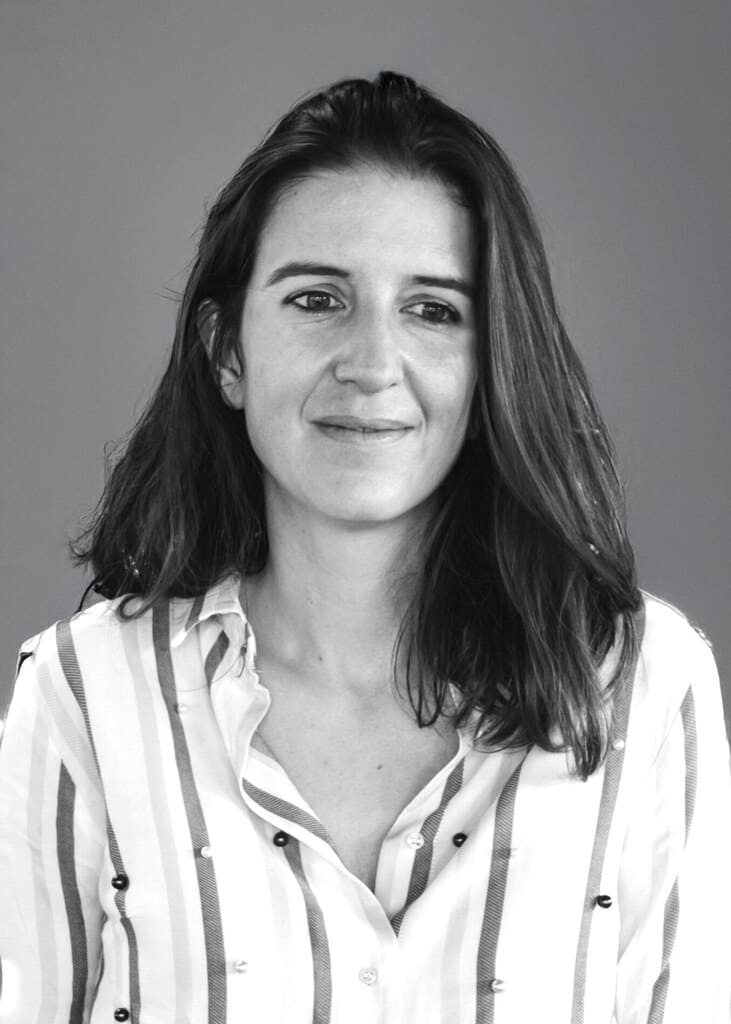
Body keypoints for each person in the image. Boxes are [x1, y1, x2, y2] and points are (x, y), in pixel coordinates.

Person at [0, 71, 729, 1024]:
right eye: (316, 299)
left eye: (433, 311)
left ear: (490, 366)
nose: (373, 365)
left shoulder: (640, 684)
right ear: (226, 352)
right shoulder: (85, 694)